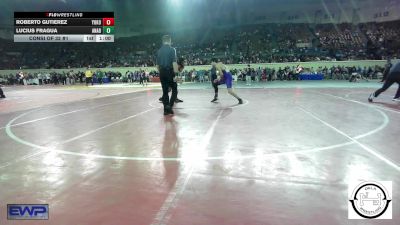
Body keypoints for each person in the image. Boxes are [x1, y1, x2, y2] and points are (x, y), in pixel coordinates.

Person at [156, 35, 179, 115]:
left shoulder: (159, 51)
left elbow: (157, 66)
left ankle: (166, 110)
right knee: (175, 89)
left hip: (162, 72)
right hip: (170, 72)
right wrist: (176, 74)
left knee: (165, 91)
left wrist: (161, 72)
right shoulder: (172, 49)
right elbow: (174, 62)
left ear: (163, 41)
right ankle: (170, 106)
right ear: (169, 41)